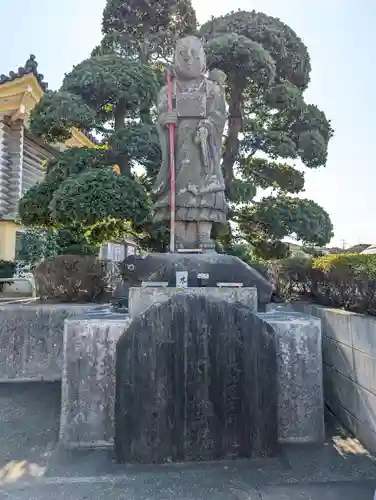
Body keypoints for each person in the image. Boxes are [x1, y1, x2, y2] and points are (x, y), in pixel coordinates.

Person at [152, 36, 228, 251]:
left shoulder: (213, 89)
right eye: (183, 55)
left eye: (195, 55)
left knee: (206, 190)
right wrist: (164, 121)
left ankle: (204, 236)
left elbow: (219, 116)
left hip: (203, 151)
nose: (189, 60)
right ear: (175, 58)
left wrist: (207, 127)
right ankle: (177, 238)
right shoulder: (168, 90)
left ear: (203, 58)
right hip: (178, 151)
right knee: (177, 190)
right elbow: (161, 115)